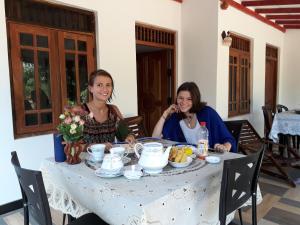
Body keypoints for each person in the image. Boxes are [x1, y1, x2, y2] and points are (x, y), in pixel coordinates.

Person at [152, 82, 236, 153]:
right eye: (180, 98)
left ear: (195, 99)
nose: (183, 102)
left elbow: (229, 139)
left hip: (208, 158)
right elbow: (155, 137)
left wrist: (224, 147)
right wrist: (165, 114)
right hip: (187, 161)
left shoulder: (208, 113)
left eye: (189, 99)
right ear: (176, 99)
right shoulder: (175, 117)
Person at [74, 69, 135, 150]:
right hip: (85, 161)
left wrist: (129, 137)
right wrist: (100, 147)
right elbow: (73, 146)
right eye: (99, 85)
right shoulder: (80, 111)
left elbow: (126, 133)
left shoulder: (113, 110)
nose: (105, 89)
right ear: (90, 88)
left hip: (110, 160)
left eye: (108, 85)